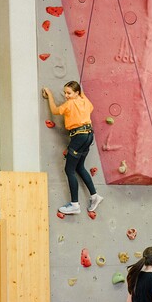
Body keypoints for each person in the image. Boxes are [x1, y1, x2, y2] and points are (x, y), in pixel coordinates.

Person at [42, 81, 103, 215]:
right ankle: (94, 196)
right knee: (80, 167)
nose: (66, 95)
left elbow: (54, 110)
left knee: (69, 169)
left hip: (78, 137)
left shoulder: (69, 104)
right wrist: (81, 92)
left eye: (69, 93)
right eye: (65, 93)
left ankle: (74, 204)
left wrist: (50, 95)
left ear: (76, 93)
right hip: (88, 136)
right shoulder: (84, 101)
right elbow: (88, 104)